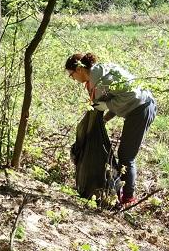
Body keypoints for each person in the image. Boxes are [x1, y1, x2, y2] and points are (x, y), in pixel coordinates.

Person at [65, 52, 156, 207]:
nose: (73, 79)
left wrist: (107, 106)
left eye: (71, 75)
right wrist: (105, 118)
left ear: (79, 69)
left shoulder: (99, 78)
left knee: (126, 156)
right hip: (138, 108)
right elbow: (117, 97)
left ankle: (128, 199)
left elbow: (131, 96)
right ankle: (120, 194)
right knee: (125, 155)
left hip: (142, 109)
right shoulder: (98, 73)